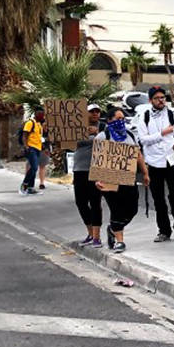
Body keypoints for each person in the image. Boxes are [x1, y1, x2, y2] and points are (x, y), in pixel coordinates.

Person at [135, 85, 174, 242]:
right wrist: (162, 134)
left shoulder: (173, 115)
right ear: (151, 100)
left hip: (171, 161)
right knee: (158, 198)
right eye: (157, 98)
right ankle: (163, 230)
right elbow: (143, 139)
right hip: (154, 162)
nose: (161, 100)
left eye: (163, 98)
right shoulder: (144, 117)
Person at [95, 108, 149, 254]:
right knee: (116, 209)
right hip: (109, 179)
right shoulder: (102, 137)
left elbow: (138, 155)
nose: (121, 122)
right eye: (118, 118)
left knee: (132, 209)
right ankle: (120, 241)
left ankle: (113, 228)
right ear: (109, 120)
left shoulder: (129, 135)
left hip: (128, 177)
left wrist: (145, 173)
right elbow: (97, 160)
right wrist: (98, 179)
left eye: (123, 119)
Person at [72, 103, 104, 247]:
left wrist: (97, 133)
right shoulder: (77, 127)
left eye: (97, 112)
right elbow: (69, 144)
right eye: (92, 112)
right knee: (81, 202)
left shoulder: (104, 128)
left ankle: (97, 237)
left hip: (96, 170)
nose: (95, 114)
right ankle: (90, 233)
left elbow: (112, 142)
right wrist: (85, 132)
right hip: (79, 170)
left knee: (95, 203)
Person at [19, 107, 45, 195]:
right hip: (31, 148)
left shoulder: (38, 124)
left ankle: (30, 188)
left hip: (38, 148)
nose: (41, 116)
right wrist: (26, 147)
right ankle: (24, 185)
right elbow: (24, 136)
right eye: (40, 114)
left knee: (34, 168)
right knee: (34, 167)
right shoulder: (30, 123)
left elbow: (38, 137)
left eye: (42, 114)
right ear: (36, 114)